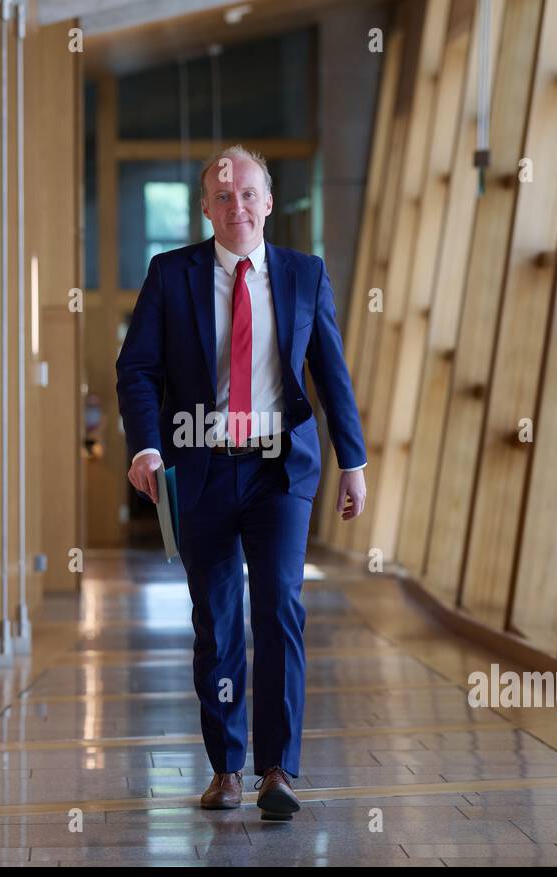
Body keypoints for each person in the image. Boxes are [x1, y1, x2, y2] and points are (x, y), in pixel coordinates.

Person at [115, 145, 368, 819]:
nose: (238, 207)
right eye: (223, 196)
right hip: (200, 467)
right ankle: (226, 768)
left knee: (280, 605)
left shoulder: (302, 275)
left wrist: (355, 462)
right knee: (217, 620)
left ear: (268, 201)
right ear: (205, 207)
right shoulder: (171, 276)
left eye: (248, 193)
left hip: (279, 469)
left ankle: (278, 769)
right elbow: (136, 368)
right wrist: (145, 446)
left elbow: (331, 374)